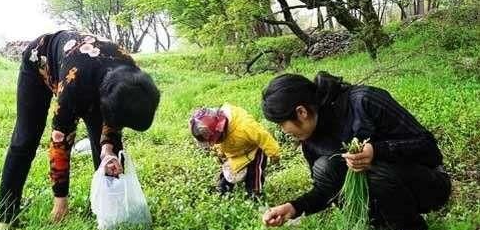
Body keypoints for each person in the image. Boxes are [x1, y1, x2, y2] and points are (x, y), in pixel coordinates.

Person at [0, 30, 160, 230]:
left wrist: (108, 149)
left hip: (96, 78)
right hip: (41, 61)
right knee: (25, 139)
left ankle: (107, 210)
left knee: (109, 153)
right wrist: (60, 201)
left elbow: (116, 118)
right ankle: (5, 217)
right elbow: (60, 142)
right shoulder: (75, 85)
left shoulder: (133, 77)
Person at [260, 72, 451, 230]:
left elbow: (429, 148)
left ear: (301, 112)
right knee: (324, 168)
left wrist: (377, 150)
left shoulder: (365, 101)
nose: (283, 131)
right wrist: (293, 208)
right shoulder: (311, 141)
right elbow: (326, 191)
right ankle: (378, 225)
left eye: (281, 124)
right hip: (383, 197)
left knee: (374, 173)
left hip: (428, 184)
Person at [189, 103, 280, 198]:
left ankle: (255, 194)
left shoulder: (245, 126)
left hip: (253, 150)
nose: (216, 142)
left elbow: (264, 137)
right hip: (234, 153)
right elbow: (217, 145)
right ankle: (222, 192)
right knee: (226, 175)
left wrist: (274, 154)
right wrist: (221, 154)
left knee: (254, 173)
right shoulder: (215, 135)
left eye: (217, 139)